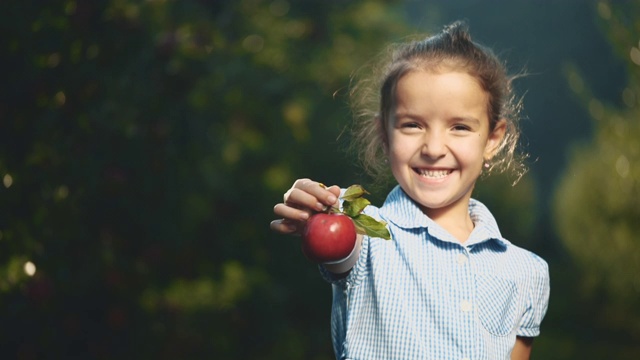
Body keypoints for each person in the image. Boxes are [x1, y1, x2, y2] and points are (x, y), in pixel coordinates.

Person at [270, 21, 550, 360]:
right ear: (385, 136)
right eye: (412, 125)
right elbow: (337, 243)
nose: (433, 147)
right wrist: (318, 211)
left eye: (459, 127)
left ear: (492, 139)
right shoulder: (365, 237)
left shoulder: (526, 271)